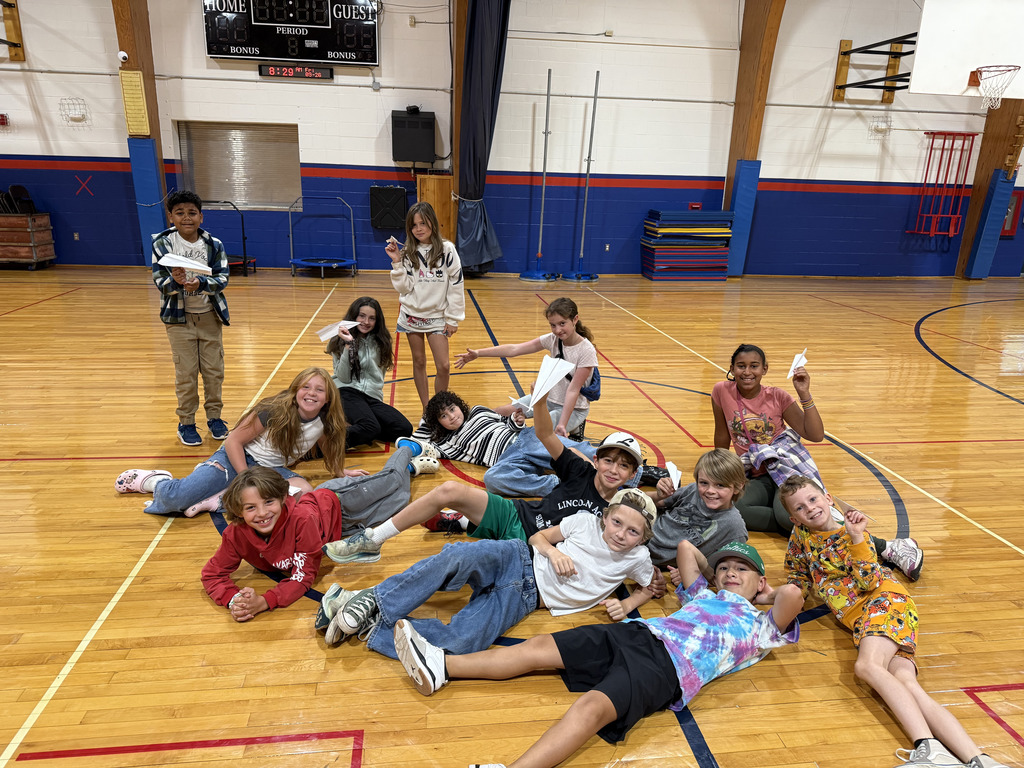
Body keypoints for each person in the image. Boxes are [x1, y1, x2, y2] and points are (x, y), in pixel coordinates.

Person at [393, 539, 802, 768]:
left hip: (667, 669)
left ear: (761, 582)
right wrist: (717, 575)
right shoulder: (702, 594)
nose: (731, 573)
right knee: (538, 648)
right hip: (634, 633)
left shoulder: (761, 627)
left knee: (591, 708)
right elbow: (684, 548)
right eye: (726, 567)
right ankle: (442, 665)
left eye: (741, 570)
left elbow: (793, 594)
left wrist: (763, 595)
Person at [780, 476, 1010, 768]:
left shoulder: (851, 533)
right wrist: (779, 597)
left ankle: (930, 750)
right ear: (793, 517)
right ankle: (979, 760)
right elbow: (797, 573)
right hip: (867, 619)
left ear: (828, 497)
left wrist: (856, 538)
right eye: (800, 507)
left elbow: (869, 581)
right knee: (907, 684)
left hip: (885, 603)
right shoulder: (801, 535)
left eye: (813, 500)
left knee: (867, 666)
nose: (810, 509)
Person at [318, 489, 658, 663]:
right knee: (458, 556)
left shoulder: (638, 557)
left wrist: (630, 605)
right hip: (517, 558)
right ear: (606, 517)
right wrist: (554, 553)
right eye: (616, 522)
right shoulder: (584, 521)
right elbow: (538, 538)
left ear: (642, 539)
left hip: (525, 600)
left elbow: (651, 583)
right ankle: (375, 599)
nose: (620, 534)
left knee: (465, 642)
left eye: (632, 532)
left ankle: (369, 623)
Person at [320, 390, 647, 565]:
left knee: (456, 563)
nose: (613, 470)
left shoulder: (619, 514)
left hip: (532, 548)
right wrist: (542, 402)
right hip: (518, 514)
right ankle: (373, 540)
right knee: (455, 487)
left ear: (632, 474)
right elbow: (417, 437)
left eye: (624, 467)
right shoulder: (582, 472)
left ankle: (460, 523)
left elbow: (635, 542)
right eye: (609, 462)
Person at [711, 343, 923, 581]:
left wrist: (804, 394)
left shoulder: (778, 396)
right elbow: (722, 434)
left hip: (786, 469)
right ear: (731, 368)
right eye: (741, 366)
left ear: (765, 369)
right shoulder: (721, 391)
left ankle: (889, 547)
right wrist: (722, 474)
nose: (747, 372)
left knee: (790, 516)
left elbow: (815, 434)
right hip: (755, 474)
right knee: (733, 508)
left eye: (754, 366)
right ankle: (808, 524)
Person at [115, 367, 366, 516]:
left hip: (271, 469)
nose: (311, 393)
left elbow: (326, 446)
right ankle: (155, 482)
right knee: (178, 500)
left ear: (327, 399)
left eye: (319, 390)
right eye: (305, 387)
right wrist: (247, 479)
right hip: (237, 458)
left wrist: (339, 471)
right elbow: (233, 441)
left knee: (303, 495)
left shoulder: (324, 420)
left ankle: (219, 499)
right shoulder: (274, 410)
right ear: (295, 390)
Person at [201, 446, 413, 620]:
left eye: (268, 502)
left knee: (392, 480)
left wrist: (265, 601)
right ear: (238, 511)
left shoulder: (301, 520)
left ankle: (410, 448)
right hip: (339, 529)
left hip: (341, 500)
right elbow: (212, 574)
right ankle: (412, 469)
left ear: (283, 498)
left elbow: (303, 578)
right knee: (400, 501)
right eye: (250, 507)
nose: (262, 513)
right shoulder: (236, 534)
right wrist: (235, 600)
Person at [401, 389, 601, 500]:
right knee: (493, 479)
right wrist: (428, 423)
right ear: (438, 423)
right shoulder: (448, 443)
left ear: (459, 406)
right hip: (505, 460)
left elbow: (506, 422)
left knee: (570, 450)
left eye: (452, 409)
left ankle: (627, 471)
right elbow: (417, 440)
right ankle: (562, 486)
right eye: (443, 416)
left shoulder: (478, 411)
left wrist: (516, 421)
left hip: (523, 440)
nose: (452, 416)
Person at [151, 189, 230, 447]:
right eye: (180, 213)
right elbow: (160, 281)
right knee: (186, 373)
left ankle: (215, 418)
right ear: (171, 217)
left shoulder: (213, 245)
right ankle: (186, 422)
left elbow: (222, 278)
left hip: (209, 317)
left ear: (201, 217)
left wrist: (202, 284)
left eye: (192, 213)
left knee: (213, 371)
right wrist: (176, 282)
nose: (187, 218)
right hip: (178, 320)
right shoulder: (162, 243)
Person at [455, 297, 597, 438]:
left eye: (562, 323)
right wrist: (479, 353)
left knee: (536, 434)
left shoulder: (586, 350)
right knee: (498, 412)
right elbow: (514, 349)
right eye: (553, 325)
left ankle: (576, 425)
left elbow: (573, 390)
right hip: (547, 399)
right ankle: (460, 433)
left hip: (573, 409)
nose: (558, 330)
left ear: (575, 319)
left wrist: (562, 425)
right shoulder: (553, 339)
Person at [387, 201, 465, 411]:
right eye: (414, 225)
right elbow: (404, 288)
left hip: (438, 316)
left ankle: (440, 409)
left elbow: (456, 284)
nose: (419, 228)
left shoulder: (447, 249)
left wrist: (453, 318)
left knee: (444, 366)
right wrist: (396, 262)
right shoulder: (408, 252)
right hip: (411, 315)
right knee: (419, 362)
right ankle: (427, 410)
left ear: (433, 222)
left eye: (422, 223)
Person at [325, 296, 412, 449]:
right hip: (346, 391)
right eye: (362, 316)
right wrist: (349, 345)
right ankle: (322, 445)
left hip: (371, 398)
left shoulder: (382, 341)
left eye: (372, 318)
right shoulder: (339, 340)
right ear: (354, 316)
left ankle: (355, 425)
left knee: (404, 429)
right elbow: (344, 378)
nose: (366, 322)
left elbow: (379, 377)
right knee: (370, 427)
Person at [646, 448, 749, 566]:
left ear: (738, 486)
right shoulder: (693, 490)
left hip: (646, 553)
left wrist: (696, 572)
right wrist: (658, 495)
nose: (710, 491)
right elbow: (646, 501)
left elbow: (731, 568)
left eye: (720, 485)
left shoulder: (734, 527)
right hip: (642, 529)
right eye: (704, 483)